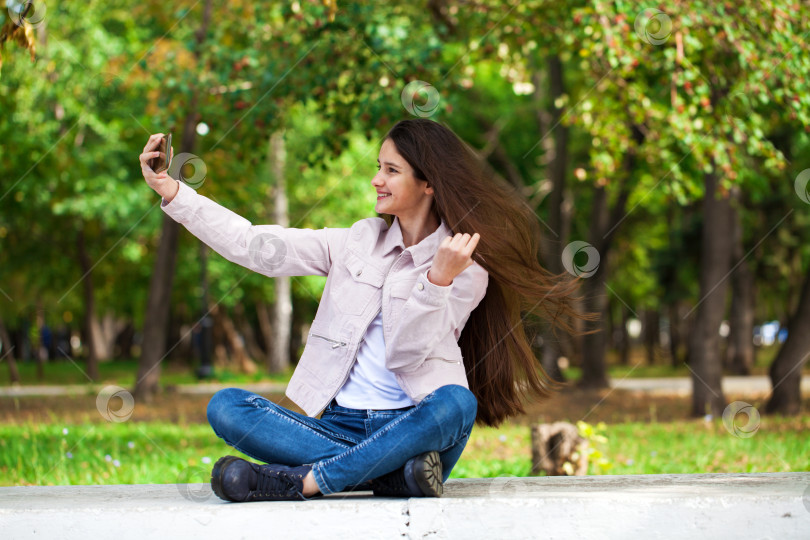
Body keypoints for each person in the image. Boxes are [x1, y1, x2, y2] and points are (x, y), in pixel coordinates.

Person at [139, 118, 584, 502]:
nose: (377, 179)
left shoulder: (464, 265)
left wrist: (437, 281)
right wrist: (174, 191)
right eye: (378, 167)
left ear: (428, 182)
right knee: (227, 406)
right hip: (339, 429)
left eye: (391, 170)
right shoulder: (357, 240)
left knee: (456, 403)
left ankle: (310, 482)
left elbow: (407, 353)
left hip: (414, 430)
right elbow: (256, 246)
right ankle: (388, 478)